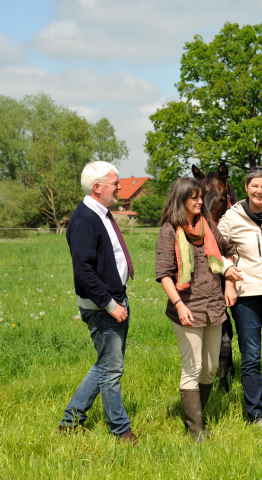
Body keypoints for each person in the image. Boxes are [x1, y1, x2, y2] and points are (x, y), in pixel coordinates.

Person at [155, 178, 239, 443]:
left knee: (212, 367)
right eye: (194, 197)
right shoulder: (170, 230)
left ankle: (197, 416)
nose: (200, 202)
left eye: (201, 197)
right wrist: (179, 305)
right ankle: (196, 430)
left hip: (214, 306)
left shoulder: (208, 225)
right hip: (187, 308)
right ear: (180, 199)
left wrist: (229, 281)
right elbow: (164, 274)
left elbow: (229, 252)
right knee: (193, 367)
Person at [59, 161, 138, 444]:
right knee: (111, 369)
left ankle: (70, 420)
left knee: (105, 364)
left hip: (114, 299)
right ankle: (120, 429)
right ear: (97, 187)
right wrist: (109, 304)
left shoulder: (100, 214)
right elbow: (84, 271)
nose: (119, 187)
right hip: (103, 306)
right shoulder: (84, 219)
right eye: (115, 183)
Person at [217, 166, 262, 428]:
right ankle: (255, 414)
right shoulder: (231, 217)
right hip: (246, 296)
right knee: (250, 357)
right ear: (246, 187)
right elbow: (214, 249)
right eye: (254, 186)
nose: (259, 191)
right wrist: (226, 270)